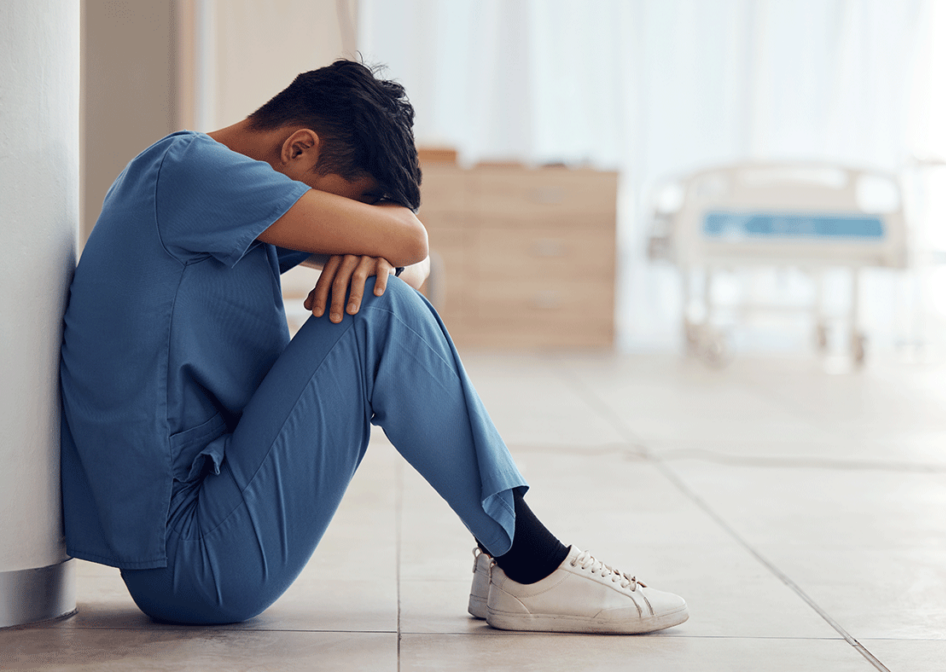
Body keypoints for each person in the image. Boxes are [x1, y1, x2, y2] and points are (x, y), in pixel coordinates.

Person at [60, 59, 688, 635]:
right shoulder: (193, 174)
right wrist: (386, 249)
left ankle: (520, 560)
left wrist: (371, 255)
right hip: (194, 560)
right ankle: (530, 563)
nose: (341, 221)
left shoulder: (206, 192)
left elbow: (408, 264)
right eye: (349, 206)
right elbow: (412, 245)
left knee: (379, 300)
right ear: (299, 146)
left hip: (197, 542)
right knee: (378, 311)